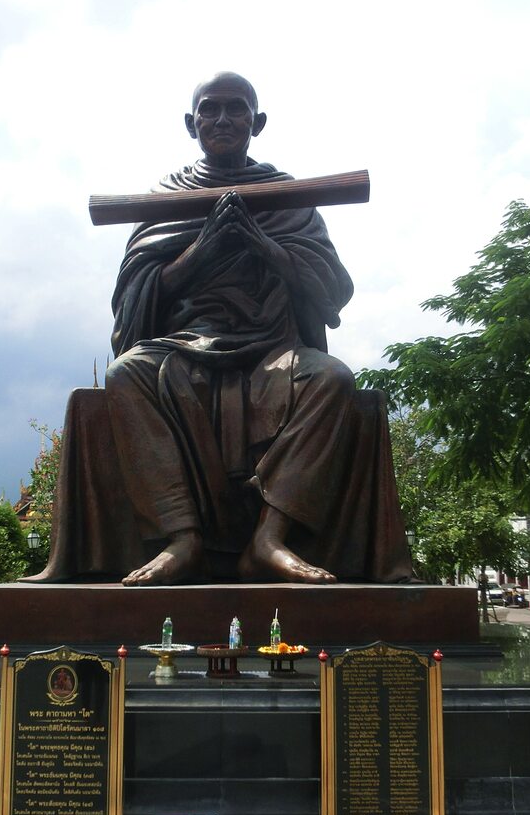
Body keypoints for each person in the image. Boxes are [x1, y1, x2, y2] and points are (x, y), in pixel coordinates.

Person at [102, 71, 388, 586]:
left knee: (333, 379)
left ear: (257, 122)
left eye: (236, 109)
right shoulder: (166, 199)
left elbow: (330, 291)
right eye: (209, 110)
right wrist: (203, 249)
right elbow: (135, 298)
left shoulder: (288, 197)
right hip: (184, 347)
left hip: (270, 351)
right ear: (191, 125)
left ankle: (269, 538)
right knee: (125, 373)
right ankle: (181, 538)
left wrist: (260, 242)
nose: (222, 120)